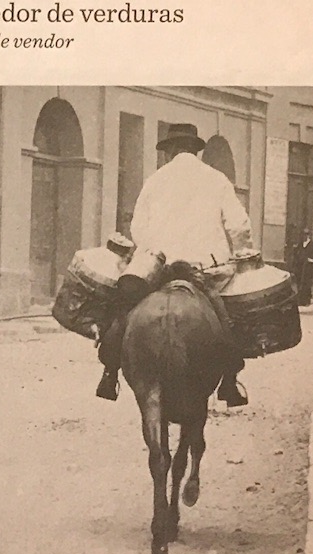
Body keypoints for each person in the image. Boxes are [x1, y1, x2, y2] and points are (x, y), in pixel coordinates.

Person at [96, 122, 259, 406]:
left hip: (158, 269)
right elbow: (239, 225)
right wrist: (241, 252)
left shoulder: (155, 180)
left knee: (122, 313)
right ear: (195, 150)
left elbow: (139, 227)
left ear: (169, 150)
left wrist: (153, 251)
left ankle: (110, 373)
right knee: (229, 323)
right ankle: (230, 383)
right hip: (206, 270)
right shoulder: (217, 179)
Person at [291, 231, 313, 307]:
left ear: (308, 236)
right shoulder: (300, 245)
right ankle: (300, 300)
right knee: (299, 283)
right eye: (303, 235)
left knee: (307, 284)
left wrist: (311, 260)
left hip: (308, 268)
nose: (304, 237)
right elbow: (296, 255)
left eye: (305, 235)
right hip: (300, 268)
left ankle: (306, 301)